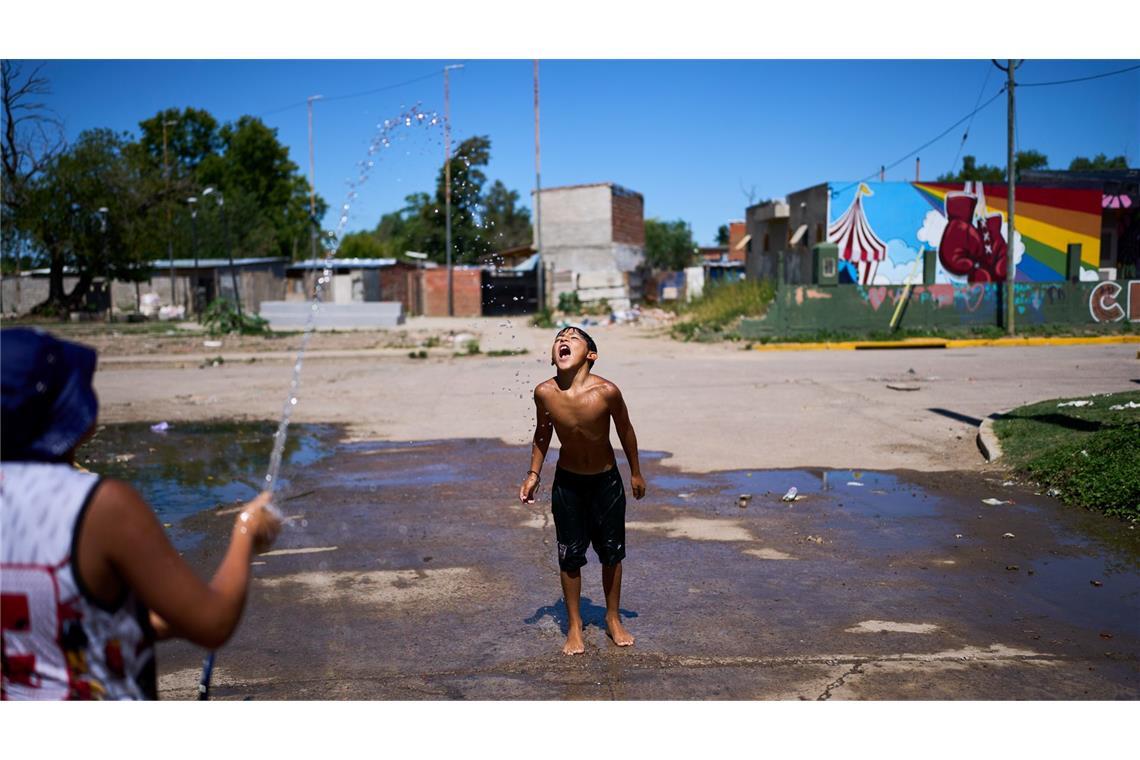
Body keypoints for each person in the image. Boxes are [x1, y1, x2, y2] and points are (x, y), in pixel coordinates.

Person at [0, 327, 281, 700]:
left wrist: (143, 621)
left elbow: (42, 620)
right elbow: (213, 624)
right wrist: (247, 533)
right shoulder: (103, 506)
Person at [519, 326, 646, 655]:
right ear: (552, 356)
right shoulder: (544, 392)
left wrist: (635, 472)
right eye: (559, 338)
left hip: (606, 481)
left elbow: (626, 430)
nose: (563, 341)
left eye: (573, 338)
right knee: (569, 556)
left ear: (590, 355)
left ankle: (613, 618)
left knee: (612, 553)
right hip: (569, 483)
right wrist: (534, 473)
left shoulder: (607, 392)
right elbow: (542, 434)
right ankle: (574, 626)